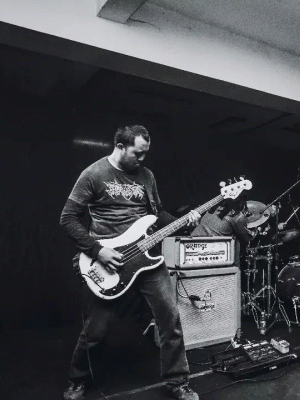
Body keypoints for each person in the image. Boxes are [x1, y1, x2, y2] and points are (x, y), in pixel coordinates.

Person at [59, 125, 201, 400]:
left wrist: (184, 222)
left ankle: (177, 382)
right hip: (108, 260)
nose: (142, 159)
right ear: (120, 146)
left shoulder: (147, 176)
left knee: (170, 319)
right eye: (138, 153)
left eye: (146, 153)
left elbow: (157, 214)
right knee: (96, 330)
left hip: (147, 259)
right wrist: (97, 250)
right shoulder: (94, 173)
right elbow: (67, 218)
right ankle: (77, 380)